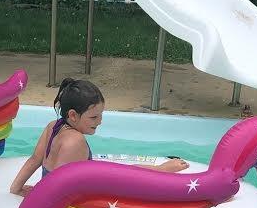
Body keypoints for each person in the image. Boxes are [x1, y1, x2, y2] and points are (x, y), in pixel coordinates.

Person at [10, 77, 189, 196]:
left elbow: (35, 159)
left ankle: (162, 169)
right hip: (72, 195)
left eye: (101, 115)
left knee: (120, 171)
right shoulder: (75, 141)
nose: (100, 121)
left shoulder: (53, 126)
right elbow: (59, 186)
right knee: (127, 176)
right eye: (94, 117)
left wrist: (16, 188)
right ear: (73, 115)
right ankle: (163, 170)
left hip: (65, 186)